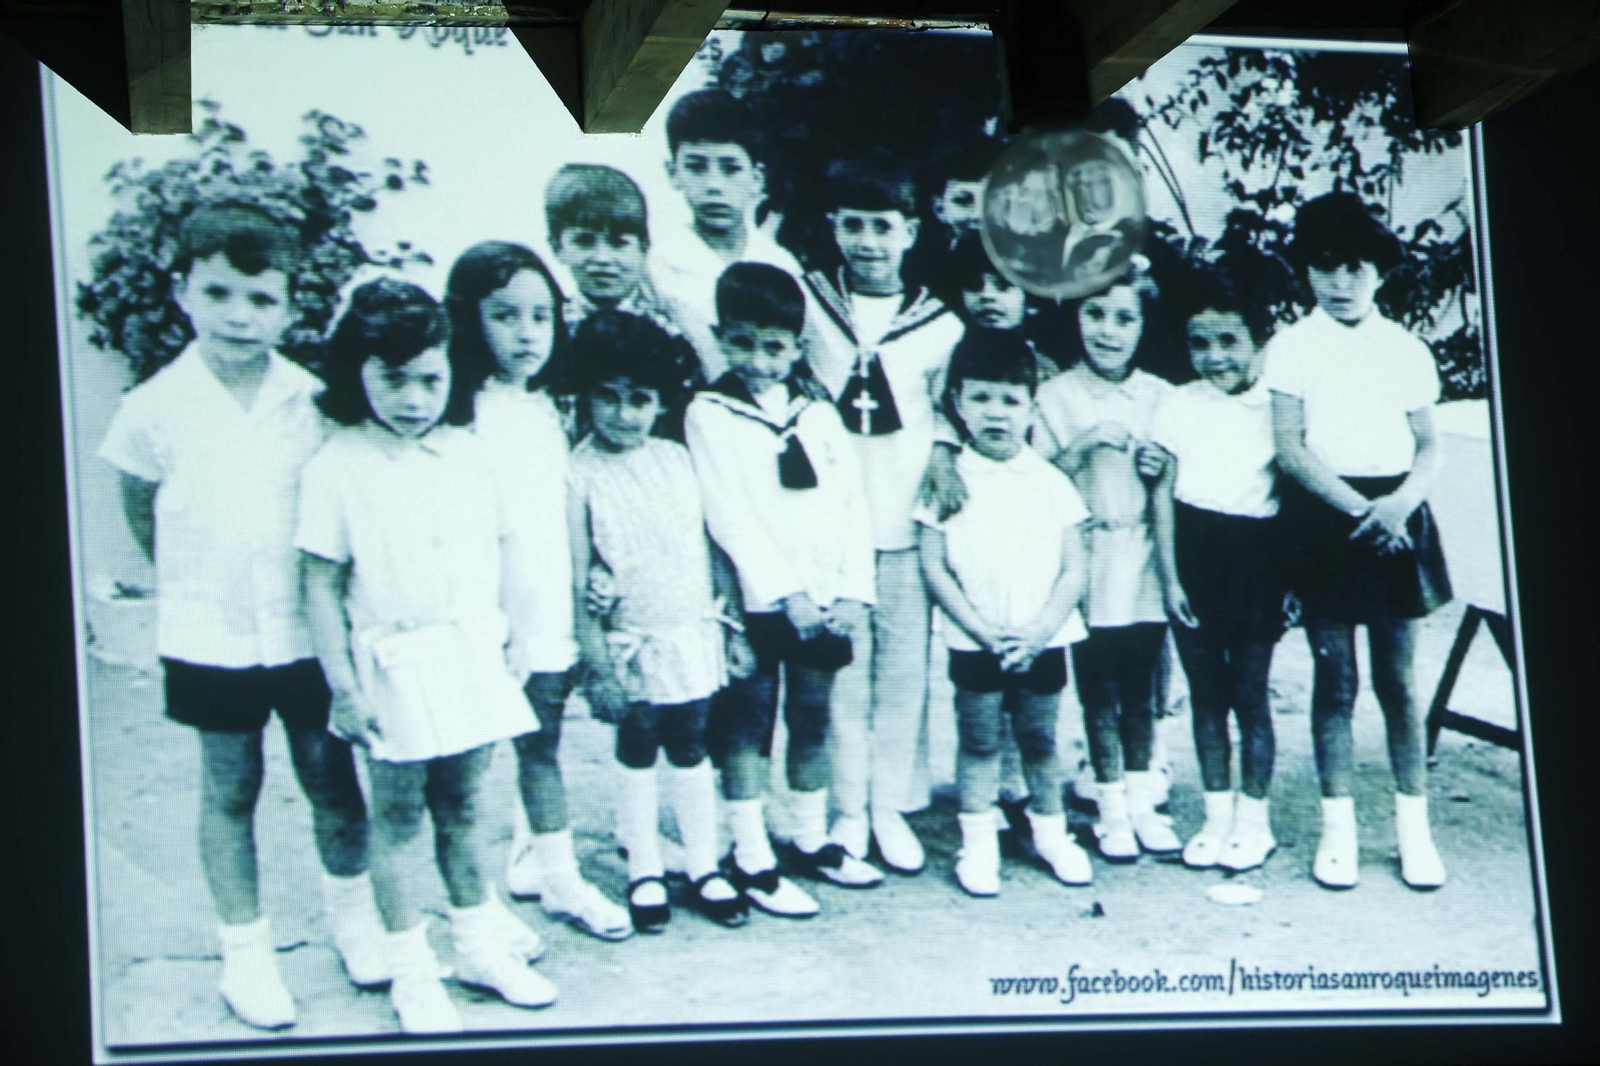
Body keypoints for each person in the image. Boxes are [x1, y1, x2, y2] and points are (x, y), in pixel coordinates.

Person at [97, 202, 384, 1031]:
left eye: (261, 299)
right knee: (230, 788)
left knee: (331, 779)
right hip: (209, 634)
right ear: (183, 289)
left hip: (304, 633)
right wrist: (190, 584)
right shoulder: (154, 406)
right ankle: (246, 954)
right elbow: (141, 505)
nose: (237, 314)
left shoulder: (313, 401)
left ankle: (355, 921)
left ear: (291, 305)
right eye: (218, 292)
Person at [297, 279, 556, 1033]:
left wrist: (514, 638)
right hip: (393, 665)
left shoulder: (469, 454)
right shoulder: (338, 465)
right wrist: (343, 687)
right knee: (399, 815)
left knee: (465, 807)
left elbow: (507, 552)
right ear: (359, 375)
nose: (414, 397)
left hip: (470, 651)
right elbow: (320, 585)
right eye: (393, 378)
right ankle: (412, 968)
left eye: (431, 379)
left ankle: (477, 944)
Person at [446, 241, 634, 943]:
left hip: (545, 604)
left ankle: (554, 873)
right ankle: (475, 904)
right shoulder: (456, 414)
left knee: (543, 745)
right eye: (505, 316)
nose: (526, 333)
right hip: (481, 614)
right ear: (470, 319)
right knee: (467, 768)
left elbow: (558, 516)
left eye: (540, 316)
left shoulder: (546, 409)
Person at [1265, 192, 1453, 891]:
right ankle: (1337, 832)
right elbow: (1289, 448)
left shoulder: (1406, 350)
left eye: (1355, 267)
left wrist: (1399, 503)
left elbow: (1430, 446)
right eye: (1324, 267)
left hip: (1397, 522)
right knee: (1335, 681)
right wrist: (1357, 509)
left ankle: (1414, 832)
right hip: (1326, 519)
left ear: (1380, 270)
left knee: (1398, 684)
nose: (1341, 283)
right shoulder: (1290, 346)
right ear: (1306, 270)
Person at [686, 262, 883, 915]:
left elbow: (853, 503)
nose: (758, 361)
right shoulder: (709, 413)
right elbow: (727, 515)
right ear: (720, 337)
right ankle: (750, 854)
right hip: (759, 599)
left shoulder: (819, 411)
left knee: (811, 715)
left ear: (796, 346)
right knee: (747, 723)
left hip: (826, 598)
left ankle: (807, 836)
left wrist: (853, 590)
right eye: (741, 343)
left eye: (774, 347)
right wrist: (783, 594)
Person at [801, 156, 967, 874]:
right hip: (833, 526)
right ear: (834, 228)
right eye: (855, 226)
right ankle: (845, 812)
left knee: (903, 672)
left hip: (901, 521)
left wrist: (945, 451)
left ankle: (889, 806)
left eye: (883, 228)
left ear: (911, 230)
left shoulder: (940, 323)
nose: (869, 242)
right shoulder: (809, 306)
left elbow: (955, 406)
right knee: (842, 672)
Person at [562, 309, 751, 931]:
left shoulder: (676, 459)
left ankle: (703, 864)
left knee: (693, 740)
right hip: (630, 639)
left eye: (639, 399)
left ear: (659, 400)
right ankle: (644, 865)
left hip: (691, 628)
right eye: (608, 398)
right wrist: (598, 665)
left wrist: (732, 630)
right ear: (586, 397)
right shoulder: (579, 472)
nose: (624, 414)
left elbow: (712, 548)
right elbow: (576, 573)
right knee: (639, 740)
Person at [917, 329, 1094, 896]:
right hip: (978, 638)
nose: (996, 413)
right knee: (979, 740)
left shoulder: (1050, 481)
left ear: (1031, 407)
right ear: (957, 404)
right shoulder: (946, 480)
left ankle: (1051, 833)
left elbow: (1074, 568)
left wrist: (1041, 631)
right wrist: (978, 628)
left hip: (1042, 636)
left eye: (1010, 400)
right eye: (981, 399)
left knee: (1040, 739)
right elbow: (934, 566)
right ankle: (979, 844)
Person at [1148, 253, 1294, 872]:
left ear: (1260, 342)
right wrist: (1169, 576)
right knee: (1206, 695)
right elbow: (1163, 494)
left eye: (1230, 341)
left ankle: (1253, 820)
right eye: (1200, 343)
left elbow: (1291, 497)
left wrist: (1291, 581)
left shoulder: (1278, 408)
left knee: (1249, 694)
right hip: (1194, 554)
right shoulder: (1178, 404)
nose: (1214, 357)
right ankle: (1215, 816)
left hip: (1257, 557)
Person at [1032, 263, 1180, 862]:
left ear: (1144, 326)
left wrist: (1158, 466)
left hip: (1143, 553)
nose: (1109, 330)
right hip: (1089, 557)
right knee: (1099, 687)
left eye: (1124, 318)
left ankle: (1143, 805)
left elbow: (1177, 476)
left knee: (1143, 686)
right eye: (1096, 314)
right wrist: (1086, 443)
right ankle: (1111, 808)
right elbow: (1036, 478)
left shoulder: (1160, 396)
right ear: (1077, 319)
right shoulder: (1055, 394)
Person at [653, 89, 811, 382]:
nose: (714, 185)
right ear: (673, 172)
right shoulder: (659, 266)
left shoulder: (781, 265)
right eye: (696, 167)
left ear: (756, 178)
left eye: (731, 169)